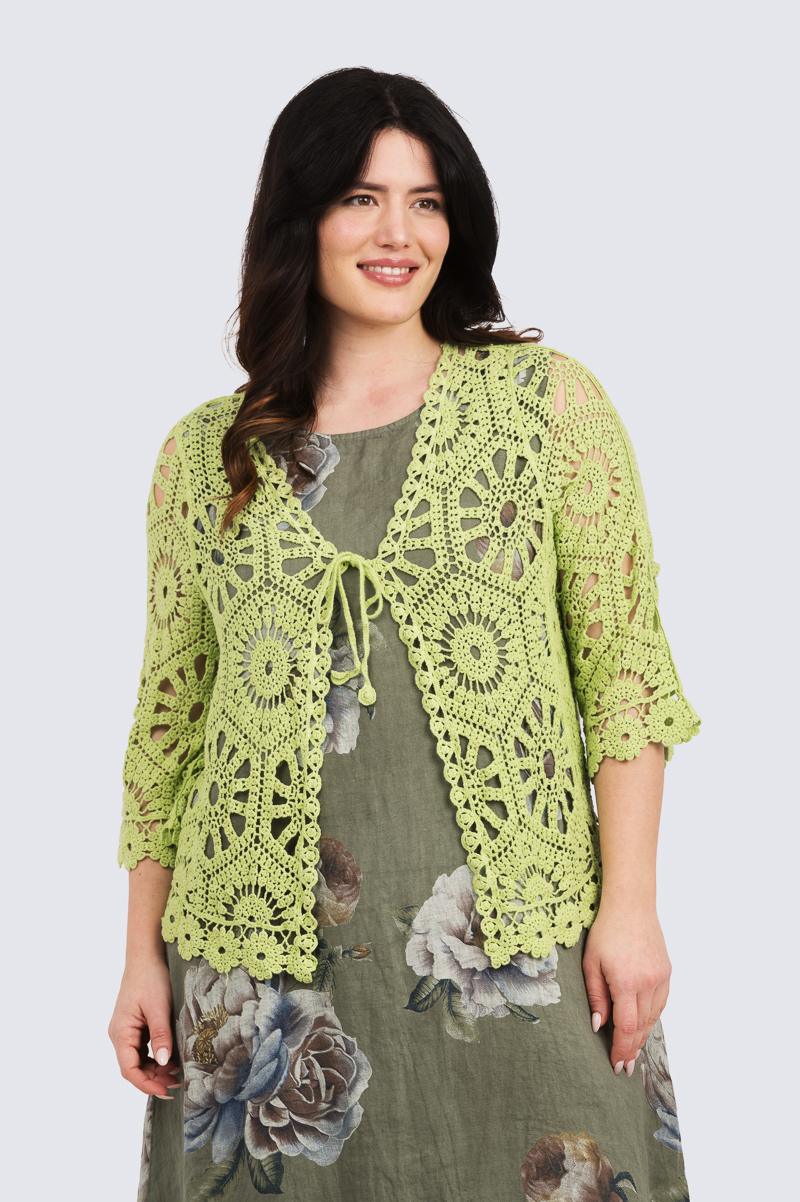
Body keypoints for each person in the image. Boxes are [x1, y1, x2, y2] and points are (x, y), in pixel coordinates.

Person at [109, 67, 700, 1202]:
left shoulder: (544, 405)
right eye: (361, 198)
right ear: (300, 219)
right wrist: (140, 952)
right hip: (258, 977)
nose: (399, 233)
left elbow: (624, 672)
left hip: (515, 942)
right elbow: (171, 728)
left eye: (425, 202)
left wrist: (631, 907)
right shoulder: (206, 459)